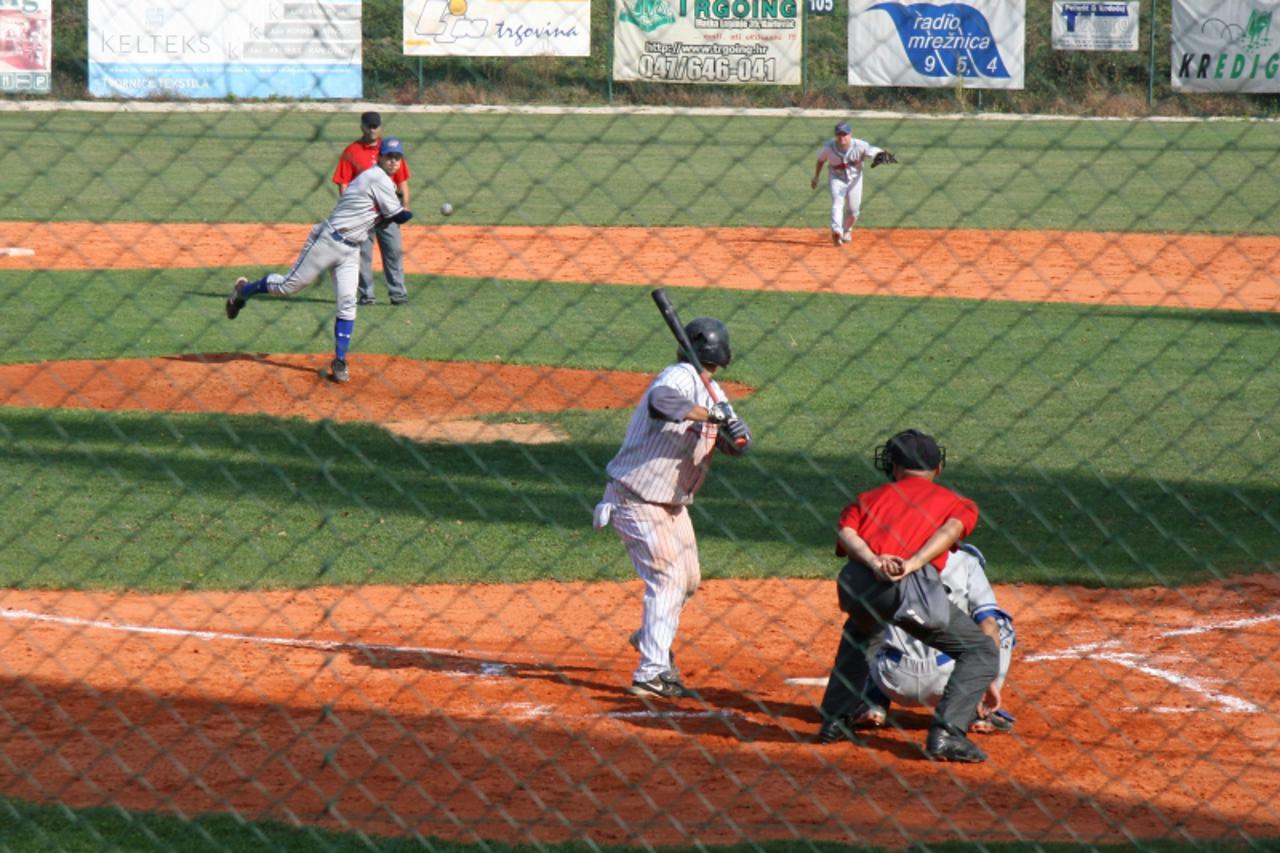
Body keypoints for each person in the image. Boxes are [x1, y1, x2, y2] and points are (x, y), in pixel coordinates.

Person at [817, 429, 999, 763]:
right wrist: (913, 563)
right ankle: (947, 735)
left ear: (893, 465)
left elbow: (845, 532)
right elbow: (951, 530)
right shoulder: (957, 503)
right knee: (981, 649)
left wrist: (873, 561)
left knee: (861, 630)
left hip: (856, 584)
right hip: (906, 587)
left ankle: (834, 720)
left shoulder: (867, 498)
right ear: (937, 469)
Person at [593, 317, 751, 700]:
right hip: (636, 497)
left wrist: (733, 436)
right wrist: (711, 416)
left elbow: (736, 443)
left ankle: (651, 637)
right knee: (666, 579)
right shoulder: (680, 376)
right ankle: (651, 671)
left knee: (689, 580)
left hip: (673, 504)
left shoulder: (715, 392)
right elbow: (661, 402)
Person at [225, 138, 414, 384]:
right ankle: (243, 290)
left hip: (351, 250)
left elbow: (380, 217)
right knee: (288, 287)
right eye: (389, 156)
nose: (393, 161)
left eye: (397, 157)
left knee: (348, 301)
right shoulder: (376, 177)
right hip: (328, 241)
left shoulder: (383, 182)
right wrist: (409, 211)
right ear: (379, 157)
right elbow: (398, 217)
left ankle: (340, 361)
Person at [854, 542, 1017, 736]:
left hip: (892, 679)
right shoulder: (967, 561)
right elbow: (989, 623)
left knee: (872, 618)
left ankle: (873, 702)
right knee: (1001, 626)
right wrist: (987, 683)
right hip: (949, 680)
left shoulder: (892, 560)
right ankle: (979, 710)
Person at [332, 111, 412, 306]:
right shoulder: (352, 151)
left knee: (393, 254)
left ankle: (398, 295)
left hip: (388, 214)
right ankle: (367, 296)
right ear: (362, 126)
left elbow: (402, 182)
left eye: (376, 126)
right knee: (362, 257)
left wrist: (405, 207)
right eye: (369, 125)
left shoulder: (389, 149)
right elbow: (343, 183)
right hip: (364, 216)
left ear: (380, 127)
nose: (373, 129)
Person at [810, 121, 896, 247]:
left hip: (855, 180)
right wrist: (816, 177)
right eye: (839, 134)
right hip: (836, 179)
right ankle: (836, 231)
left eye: (845, 134)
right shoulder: (829, 147)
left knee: (854, 211)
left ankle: (847, 230)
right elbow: (820, 160)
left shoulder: (860, 145)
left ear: (850, 134)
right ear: (835, 135)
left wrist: (879, 154)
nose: (842, 137)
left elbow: (872, 151)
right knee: (837, 202)